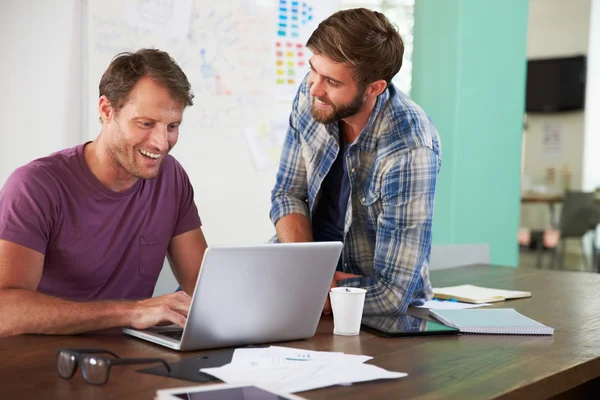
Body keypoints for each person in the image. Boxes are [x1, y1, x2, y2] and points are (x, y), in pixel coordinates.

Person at [0, 49, 207, 336]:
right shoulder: (35, 186)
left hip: (134, 361)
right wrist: (131, 312)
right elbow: (5, 310)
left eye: (172, 126)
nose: (162, 143)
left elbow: (204, 287)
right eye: (146, 124)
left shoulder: (171, 178)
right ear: (107, 110)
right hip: (49, 365)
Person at [270, 9, 442, 315]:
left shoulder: (410, 147)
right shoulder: (312, 96)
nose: (314, 88)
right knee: (200, 294)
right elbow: (288, 195)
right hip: (310, 278)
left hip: (371, 305)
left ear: (375, 87)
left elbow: (392, 294)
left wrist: (320, 288)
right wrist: (310, 275)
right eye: (313, 70)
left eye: (332, 82)